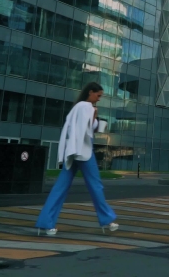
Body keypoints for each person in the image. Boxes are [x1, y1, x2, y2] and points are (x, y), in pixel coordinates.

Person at [36, 82, 119, 236]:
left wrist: (93, 120)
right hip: (83, 151)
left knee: (60, 187)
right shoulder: (86, 107)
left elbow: (77, 128)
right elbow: (86, 130)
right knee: (96, 186)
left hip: (73, 151)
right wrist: (94, 119)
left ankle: (46, 223)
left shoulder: (77, 107)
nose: (99, 99)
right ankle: (107, 219)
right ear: (91, 92)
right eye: (98, 95)